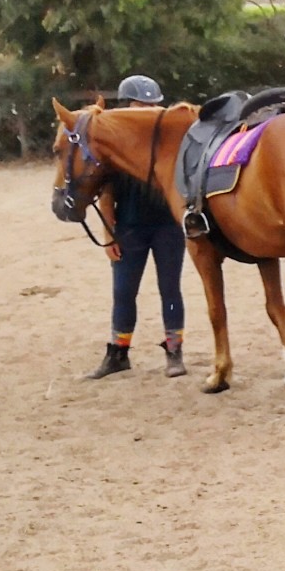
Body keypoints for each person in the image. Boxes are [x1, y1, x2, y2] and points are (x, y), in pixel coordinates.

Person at [83, 75, 187, 381]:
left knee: (170, 289)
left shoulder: (170, 142)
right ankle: (118, 352)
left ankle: (174, 350)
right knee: (124, 291)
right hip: (129, 227)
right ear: (127, 107)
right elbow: (107, 194)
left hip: (167, 226)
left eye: (153, 105)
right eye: (142, 105)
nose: (149, 110)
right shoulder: (116, 147)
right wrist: (108, 234)